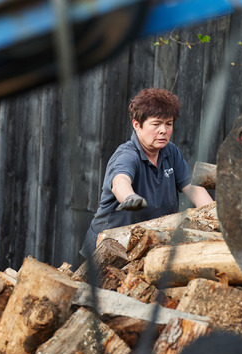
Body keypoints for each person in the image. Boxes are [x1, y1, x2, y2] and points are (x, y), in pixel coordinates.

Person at [81, 88, 213, 258]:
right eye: (156, 124)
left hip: (146, 247)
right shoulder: (127, 155)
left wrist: (213, 216)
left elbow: (193, 187)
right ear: (137, 125)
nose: (163, 130)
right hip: (108, 249)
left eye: (169, 124)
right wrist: (129, 198)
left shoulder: (171, 152)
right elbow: (120, 182)